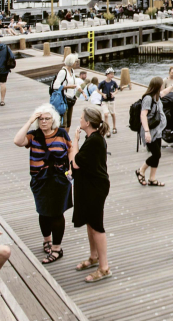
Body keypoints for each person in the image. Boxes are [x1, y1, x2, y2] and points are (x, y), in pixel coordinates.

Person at [13, 104, 72, 264]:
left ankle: (57, 249)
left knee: (57, 213)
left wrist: (72, 167)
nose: (44, 122)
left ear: (53, 120)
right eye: (41, 119)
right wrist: (30, 120)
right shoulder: (33, 135)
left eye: (47, 119)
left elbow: (71, 149)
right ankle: (47, 240)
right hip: (40, 180)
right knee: (43, 211)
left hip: (60, 180)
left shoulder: (61, 133)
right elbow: (17, 141)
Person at [69, 106, 112, 282]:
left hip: (95, 188)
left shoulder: (94, 140)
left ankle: (104, 268)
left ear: (87, 122)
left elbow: (75, 162)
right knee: (90, 223)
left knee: (97, 226)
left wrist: (75, 142)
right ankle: (94, 257)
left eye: (81, 118)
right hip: (89, 186)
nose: (79, 121)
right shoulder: (93, 137)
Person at [135, 77, 173, 187]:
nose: (163, 87)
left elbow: (164, 92)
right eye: (161, 85)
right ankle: (141, 170)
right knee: (156, 154)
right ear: (157, 86)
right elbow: (143, 114)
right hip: (150, 131)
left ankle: (152, 179)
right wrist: (147, 131)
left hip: (157, 131)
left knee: (157, 155)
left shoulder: (157, 96)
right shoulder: (148, 98)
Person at [52, 54, 79, 128]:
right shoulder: (63, 72)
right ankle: (61, 138)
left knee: (69, 122)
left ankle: (67, 138)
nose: (76, 63)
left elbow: (75, 82)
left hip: (71, 99)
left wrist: (81, 91)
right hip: (63, 99)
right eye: (75, 61)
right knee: (64, 122)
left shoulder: (72, 71)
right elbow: (55, 86)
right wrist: (68, 87)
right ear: (71, 62)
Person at [99, 68, 119, 135]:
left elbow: (117, 89)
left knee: (113, 114)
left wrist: (114, 93)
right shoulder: (103, 83)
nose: (112, 75)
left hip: (111, 100)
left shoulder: (113, 83)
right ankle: (107, 129)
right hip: (104, 101)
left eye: (113, 74)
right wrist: (102, 94)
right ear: (107, 75)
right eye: (111, 74)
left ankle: (114, 127)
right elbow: (98, 90)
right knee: (106, 114)